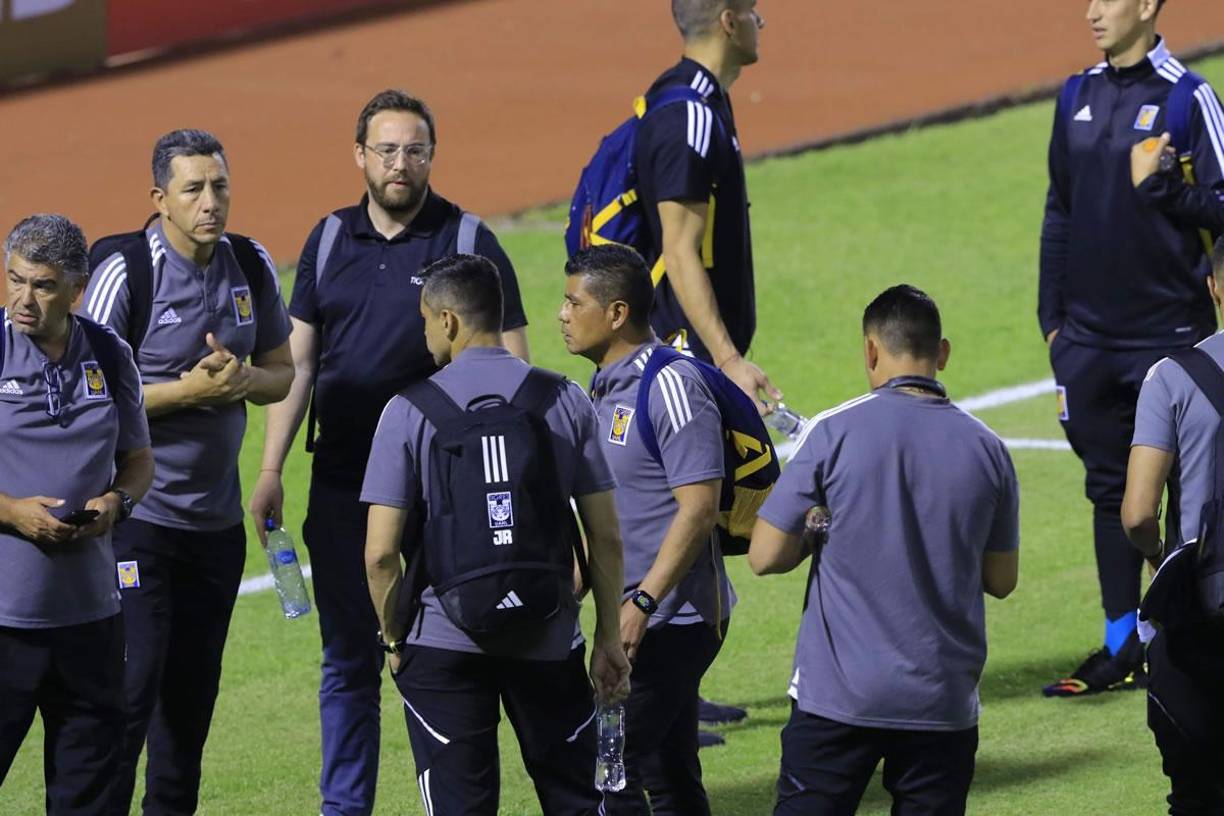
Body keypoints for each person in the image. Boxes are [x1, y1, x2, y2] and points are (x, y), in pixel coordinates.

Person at [250, 90, 531, 816]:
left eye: (414, 149)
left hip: (448, 495)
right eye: (386, 149)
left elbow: (513, 372)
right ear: (360, 156)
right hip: (344, 485)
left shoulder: (468, 240)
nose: (400, 163)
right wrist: (273, 467)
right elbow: (300, 362)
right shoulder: (328, 239)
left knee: (458, 652)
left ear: (432, 156)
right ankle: (345, 810)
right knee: (349, 659)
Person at [362, 253, 629, 816]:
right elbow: (605, 535)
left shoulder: (406, 411)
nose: (425, 333)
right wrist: (608, 636)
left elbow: (381, 554)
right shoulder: (565, 399)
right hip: (548, 635)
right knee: (580, 802)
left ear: (448, 321)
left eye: (425, 320)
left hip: (443, 643)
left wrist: (392, 638)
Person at [83, 129, 294, 815]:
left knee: (190, 706)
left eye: (220, 186)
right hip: (138, 523)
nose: (211, 202)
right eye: (194, 189)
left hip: (215, 527)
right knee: (130, 693)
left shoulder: (250, 263)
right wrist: (186, 393)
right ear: (160, 199)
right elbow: (83, 395)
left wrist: (242, 379)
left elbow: (282, 373)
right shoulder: (126, 273)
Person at [749, 285, 1019, 816]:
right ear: (942, 353)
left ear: (871, 350)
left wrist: (818, 524)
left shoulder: (832, 431)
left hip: (839, 699)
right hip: (941, 702)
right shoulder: (989, 449)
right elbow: (1001, 579)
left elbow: (765, 555)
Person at [1039, 0, 1224, 696]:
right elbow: (1059, 209)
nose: (1091, 12)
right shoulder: (1075, 94)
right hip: (1087, 342)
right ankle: (1121, 645)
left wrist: (1169, 191)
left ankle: (1188, 633)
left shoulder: (1189, 98)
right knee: (1108, 490)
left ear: (1146, 5)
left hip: (1170, 338)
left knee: (1186, 494)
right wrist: (1052, 321)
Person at [562, 244, 734, 814]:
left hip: (673, 619)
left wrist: (642, 602)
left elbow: (699, 508)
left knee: (607, 767)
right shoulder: (601, 387)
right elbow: (612, 510)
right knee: (669, 772)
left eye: (574, 303)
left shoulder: (670, 383)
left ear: (616, 313)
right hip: (635, 615)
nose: (562, 314)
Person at [638, 0, 771, 732]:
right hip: (682, 355)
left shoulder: (702, 102)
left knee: (698, 521)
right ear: (725, 19)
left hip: (688, 350)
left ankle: (676, 692)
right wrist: (725, 357)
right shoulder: (689, 113)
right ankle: (653, 696)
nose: (761, 21)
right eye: (752, 10)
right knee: (681, 516)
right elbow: (678, 248)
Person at [0, 214, 154, 815]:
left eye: (42, 285)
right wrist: (12, 513)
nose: (23, 298)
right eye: (15, 279)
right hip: (5, 622)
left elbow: (138, 460)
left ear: (76, 289)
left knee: (88, 798)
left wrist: (118, 503)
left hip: (90, 621)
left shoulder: (110, 354)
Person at [1122, 237, 1224, 814]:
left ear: (1213, 288)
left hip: (1200, 620)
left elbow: (1138, 513)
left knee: (1197, 797)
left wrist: (1159, 558)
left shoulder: (1172, 377)